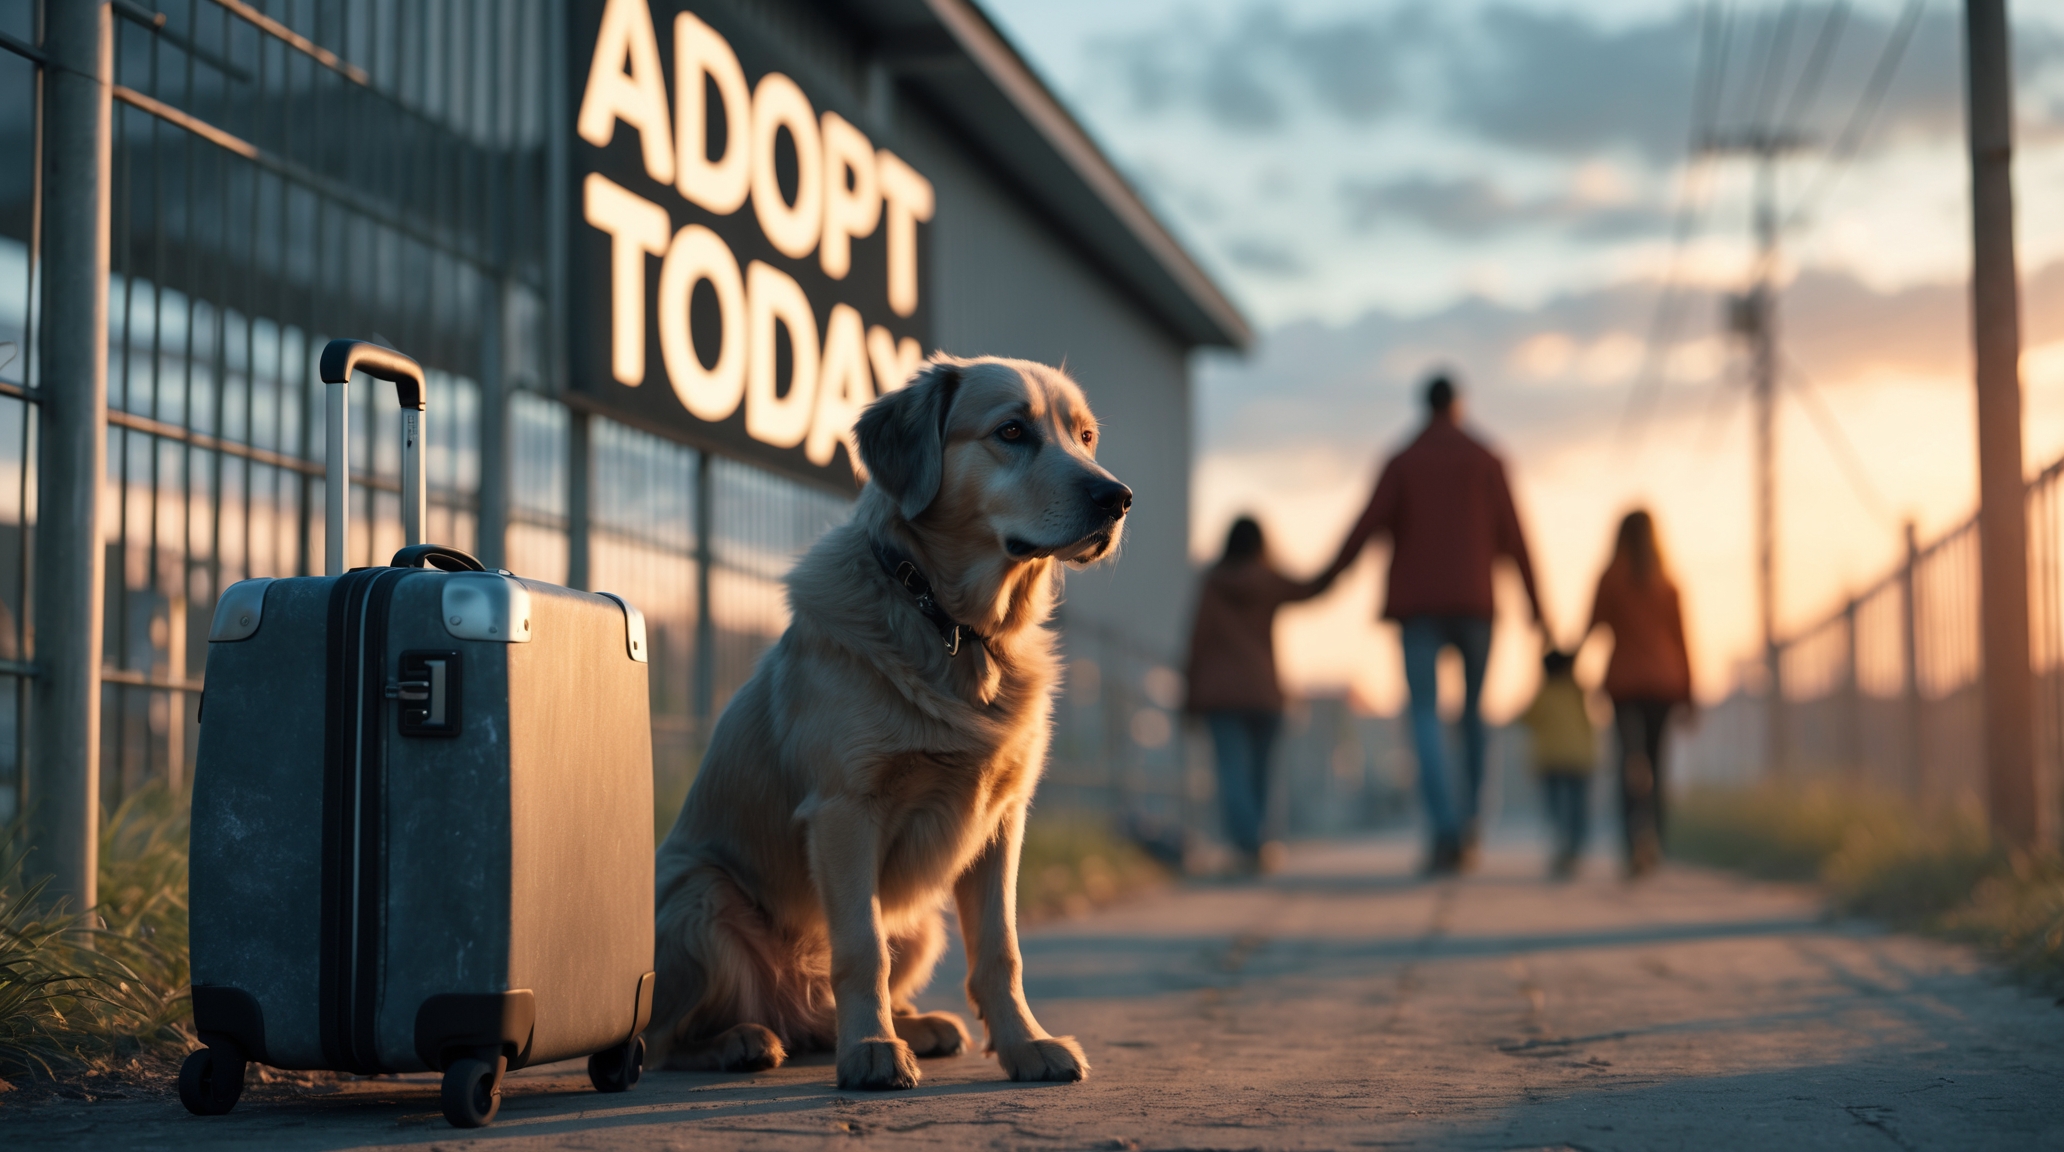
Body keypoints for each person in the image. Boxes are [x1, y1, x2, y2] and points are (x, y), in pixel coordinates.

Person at [1322, 373, 1544, 874]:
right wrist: (1539, 606)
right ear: (1460, 406)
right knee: (1473, 716)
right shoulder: (1486, 460)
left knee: (1423, 714)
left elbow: (1366, 526)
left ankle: (1444, 829)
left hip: (1418, 605)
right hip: (1475, 605)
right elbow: (1516, 535)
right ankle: (1470, 828)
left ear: (1424, 406)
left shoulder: (1403, 461)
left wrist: (1325, 579)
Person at [1184, 516, 1333, 874]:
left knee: (1232, 772)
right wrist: (1343, 563)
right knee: (1264, 775)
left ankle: (1248, 845)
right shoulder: (1269, 582)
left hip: (1221, 696)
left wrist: (1189, 693)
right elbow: (1310, 588)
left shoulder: (1213, 584)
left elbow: (1198, 640)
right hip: (1265, 694)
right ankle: (1262, 842)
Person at [1583, 509, 1693, 879]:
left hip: (1625, 684)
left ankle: (1633, 839)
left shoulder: (1611, 579)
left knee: (1629, 763)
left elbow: (1592, 627)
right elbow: (1682, 642)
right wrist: (1690, 695)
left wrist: (1566, 664)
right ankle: (1656, 839)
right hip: (1663, 683)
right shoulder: (1668, 584)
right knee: (1656, 765)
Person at [1520, 649, 1596, 880]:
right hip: (1579, 759)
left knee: (1557, 807)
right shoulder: (1578, 691)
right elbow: (1589, 722)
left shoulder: (1544, 693)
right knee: (1578, 808)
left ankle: (1561, 843)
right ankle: (1574, 847)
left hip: (1550, 759)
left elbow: (1527, 719)